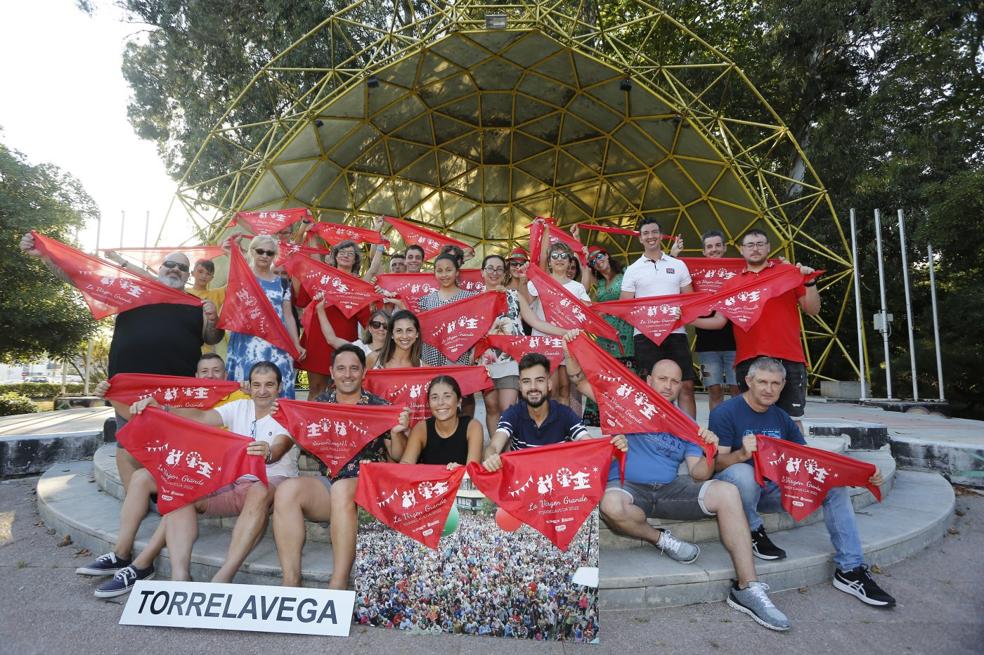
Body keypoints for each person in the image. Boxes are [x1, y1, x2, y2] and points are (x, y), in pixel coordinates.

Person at [564, 345, 790, 631]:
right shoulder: (627, 404)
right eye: (662, 379)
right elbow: (579, 380)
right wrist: (570, 349)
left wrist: (709, 450)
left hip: (671, 489)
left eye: (674, 381)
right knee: (610, 505)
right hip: (627, 486)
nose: (668, 386)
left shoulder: (685, 423)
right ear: (649, 381)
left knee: (727, 492)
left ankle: (748, 587)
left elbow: (697, 474)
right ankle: (660, 539)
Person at [19, 233, 223, 490]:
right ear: (159, 269)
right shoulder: (132, 290)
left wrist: (213, 318)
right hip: (129, 387)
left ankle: (171, 495)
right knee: (129, 446)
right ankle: (135, 500)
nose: (175, 270)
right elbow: (82, 277)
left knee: (173, 443)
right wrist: (47, 257)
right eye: (170, 264)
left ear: (188, 275)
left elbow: (211, 336)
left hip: (176, 390)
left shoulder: (196, 304)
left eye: (182, 267)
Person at [711, 357, 895, 607]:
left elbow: (810, 463)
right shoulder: (725, 412)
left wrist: (856, 475)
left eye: (775, 383)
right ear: (748, 381)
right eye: (762, 382)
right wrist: (741, 455)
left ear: (784, 384)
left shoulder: (782, 418)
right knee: (742, 474)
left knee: (833, 488)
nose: (769, 389)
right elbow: (716, 465)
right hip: (738, 491)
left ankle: (850, 570)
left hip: (775, 488)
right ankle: (753, 530)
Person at [79, 353, 246, 596]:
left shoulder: (237, 397)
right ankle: (121, 554)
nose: (210, 376)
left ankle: (142, 564)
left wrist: (249, 386)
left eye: (217, 371)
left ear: (226, 375)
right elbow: (142, 412)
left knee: (177, 489)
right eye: (204, 371)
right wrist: (111, 395)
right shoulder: (184, 398)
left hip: (218, 475)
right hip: (187, 471)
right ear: (195, 376)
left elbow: (260, 401)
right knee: (141, 478)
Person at [126, 361, 299, 583]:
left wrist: (267, 453)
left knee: (259, 490)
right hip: (232, 482)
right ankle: (180, 578)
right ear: (250, 386)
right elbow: (201, 418)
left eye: (269, 385)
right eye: (257, 385)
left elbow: (280, 447)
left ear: (279, 386)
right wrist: (162, 407)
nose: (263, 391)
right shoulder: (240, 406)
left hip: (270, 483)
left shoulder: (288, 412)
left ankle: (222, 578)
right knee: (181, 487)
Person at [272, 344, 409, 588]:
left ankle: (339, 581)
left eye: (354, 368)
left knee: (342, 489)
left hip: (369, 488)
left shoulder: (379, 406)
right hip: (330, 485)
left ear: (364, 372)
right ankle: (290, 581)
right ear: (331, 372)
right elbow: (298, 435)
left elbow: (397, 455)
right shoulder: (319, 404)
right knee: (286, 491)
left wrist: (398, 432)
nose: (348, 374)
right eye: (341, 369)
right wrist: (284, 415)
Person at [714, 228, 820, 422]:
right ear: (741, 250)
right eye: (750, 245)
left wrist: (810, 283)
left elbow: (812, 309)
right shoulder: (732, 284)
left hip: (789, 356)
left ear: (768, 247)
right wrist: (681, 316)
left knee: (792, 420)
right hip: (749, 359)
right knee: (751, 420)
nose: (755, 249)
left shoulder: (789, 272)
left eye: (760, 244)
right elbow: (719, 321)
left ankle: (792, 453)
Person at [619, 217, 699, 419]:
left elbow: (689, 300)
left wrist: (683, 310)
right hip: (645, 336)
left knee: (686, 385)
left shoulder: (678, 265)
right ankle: (654, 437)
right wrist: (647, 320)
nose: (650, 236)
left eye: (654, 232)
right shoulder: (632, 269)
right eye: (646, 233)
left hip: (675, 333)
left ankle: (693, 438)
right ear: (640, 238)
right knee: (650, 388)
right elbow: (625, 307)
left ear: (661, 235)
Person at [478, 253, 562, 440]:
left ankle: (508, 452)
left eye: (499, 269)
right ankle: (497, 453)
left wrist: (565, 332)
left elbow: (536, 322)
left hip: (510, 360)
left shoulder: (514, 296)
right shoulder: (475, 298)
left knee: (507, 408)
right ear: (482, 272)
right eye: (490, 268)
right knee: (491, 407)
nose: (494, 273)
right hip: (485, 360)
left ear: (504, 272)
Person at [298, 232, 384, 398]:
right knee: (315, 388)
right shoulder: (322, 277)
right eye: (342, 252)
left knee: (340, 390)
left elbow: (367, 318)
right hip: (318, 338)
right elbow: (304, 298)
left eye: (350, 253)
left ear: (355, 260)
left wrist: (373, 301)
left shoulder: (359, 285)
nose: (345, 255)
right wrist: (310, 233)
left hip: (343, 340)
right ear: (335, 256)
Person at [225, 235, 305, 398]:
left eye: (270, 253)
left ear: (274, 256)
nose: (264, 256)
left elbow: (288, 315)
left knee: (278, 388)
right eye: (260, 251)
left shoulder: (282, 283)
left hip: (277, 344)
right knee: (246, 391)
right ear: (252, 252)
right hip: (247, 343)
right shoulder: (242, 277)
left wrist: (296, 344)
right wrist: (230, 251)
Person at [482, 353, 589, 471]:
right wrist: (491, 457)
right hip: (523, 480)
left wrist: (610, 446)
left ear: (549, 384)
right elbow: (493, 446)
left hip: (558, 479)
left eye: (539, 380)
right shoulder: (513, 414)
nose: (533, 387)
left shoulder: (564, 413)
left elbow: (589, 444)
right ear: (520, 386)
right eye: (527, 381)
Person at [525, 242, 590, 406]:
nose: (559, 259)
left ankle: (562, 428)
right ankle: (547, 428)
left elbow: (588, 313)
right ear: (549, 261)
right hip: (544, 342)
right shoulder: (538, 282)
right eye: (555, 256)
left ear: (570, 261)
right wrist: (522, 278)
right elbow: (525, 302)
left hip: (568, 343)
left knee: (564, 388)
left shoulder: (578, 287)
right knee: (548, 388)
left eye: (563, 256)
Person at [693, 230, 739, 411]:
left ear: (725, 247)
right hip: (707, 345)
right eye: (709, 246)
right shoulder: (694, 274)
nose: (714, 250)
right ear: (703, 251)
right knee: (714, 390)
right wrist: (673, 255)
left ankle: (738, 430)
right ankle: (716, 431)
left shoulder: (736, 272)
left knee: (738, 388)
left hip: (735, 342)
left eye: (718, 245)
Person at [400, 375, 483, 468]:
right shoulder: (421, 428)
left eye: (447, 396)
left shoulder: (472, 427)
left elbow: (472, 470)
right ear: (428, 403)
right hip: (428, 482)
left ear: (459, 401)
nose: (440, 402)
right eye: (434, 397)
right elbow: (405, 465)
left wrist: (460, 470)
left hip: (461, 482)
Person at [417, 253, 477, 367]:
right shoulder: (426, 300)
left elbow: (477, 329)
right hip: (430, 358)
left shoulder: (470, 298)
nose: (444, 275)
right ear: (434, 273)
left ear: (457, 272)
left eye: (448, 270)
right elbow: (420, 328)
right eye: (439, 270)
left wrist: (473, 354)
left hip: (458, 359)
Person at [315, 299, 389, 359]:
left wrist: (400, 305)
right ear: (369, 328)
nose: (381, 328)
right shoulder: (360, 348)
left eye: (386, 326)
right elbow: (332, 339)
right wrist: (320, 310)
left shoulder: (397, 350)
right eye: (376, 325)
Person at [188, 259, 228, 355]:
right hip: (186, 343)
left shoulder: (217, 294)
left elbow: (236, 281)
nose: (203, 276)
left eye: (208, 274)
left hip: (208, 349)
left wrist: (230, 254)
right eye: (200, 271)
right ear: (192, 273)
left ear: (212, 278)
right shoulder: (183, 292)